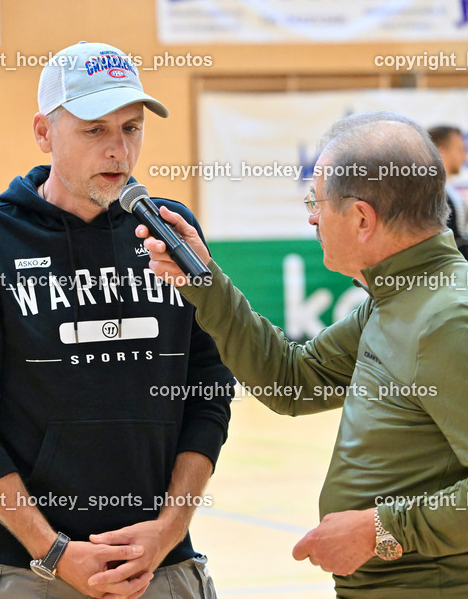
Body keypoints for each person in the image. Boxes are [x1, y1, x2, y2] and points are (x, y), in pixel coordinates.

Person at [0, 41, 233, 598]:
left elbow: (209, 388)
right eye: (95, 131)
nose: (119, 150)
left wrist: (170, 528)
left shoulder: (171, 233)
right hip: (31, 571)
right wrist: (53, 550)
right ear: (44, 132)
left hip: (162, 563)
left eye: (131, 128)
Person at [136, 111, 468, 597]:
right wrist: (202, 279)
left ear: (360, 217)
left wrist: (378, 530)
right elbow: (292, 379)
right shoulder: (398, 296)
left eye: (317, 202)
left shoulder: (447, 319)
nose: (311, 216)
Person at [427, 124, 468, 258]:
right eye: (460, 149)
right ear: (441, 150)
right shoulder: (430, 190)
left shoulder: (446, 189)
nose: (464, 156)